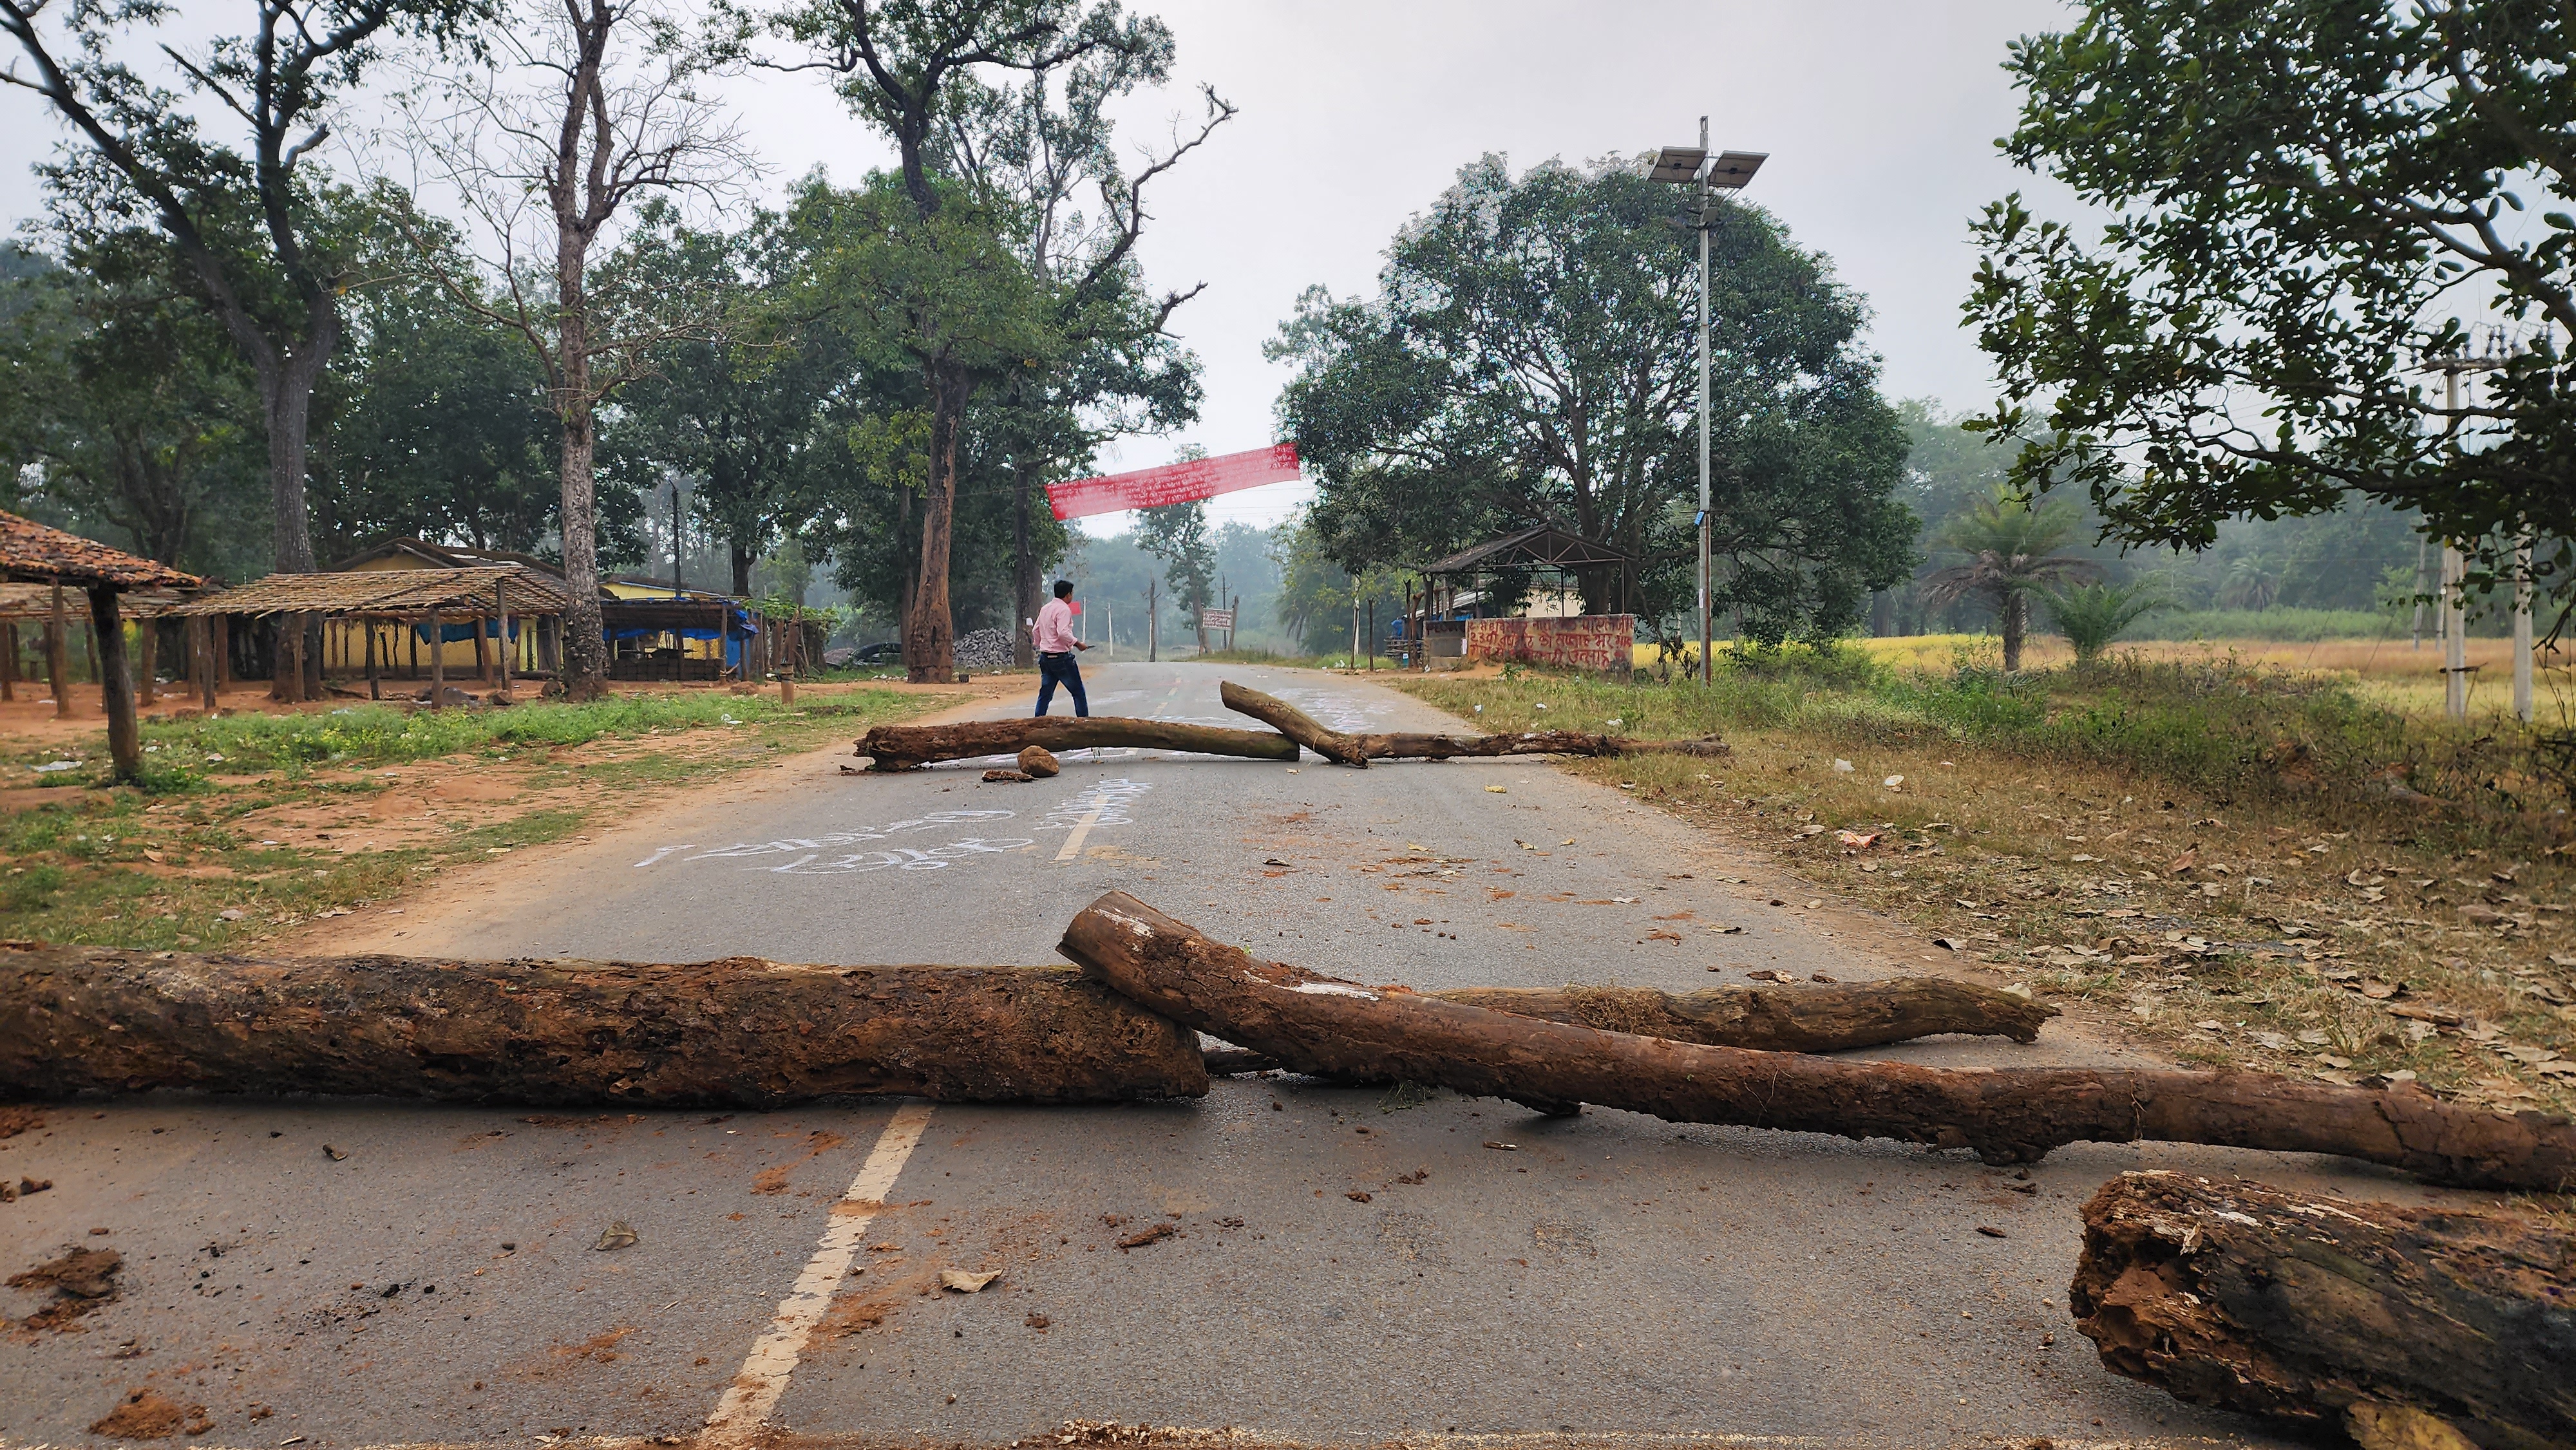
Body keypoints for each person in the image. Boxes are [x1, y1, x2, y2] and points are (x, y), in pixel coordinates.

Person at [1032, 578, 1091, 717]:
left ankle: (1038, 721)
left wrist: (1040, 644)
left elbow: (1036, 630)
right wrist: (1078, 644)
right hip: (1061, 659)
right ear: (1068, 595)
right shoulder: (1064, 610)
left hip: (1046, 657)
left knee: (1045, 693)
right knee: (1078, 692)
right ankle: (1084, 723)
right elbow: (1063, 632)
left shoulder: (1045, 609)